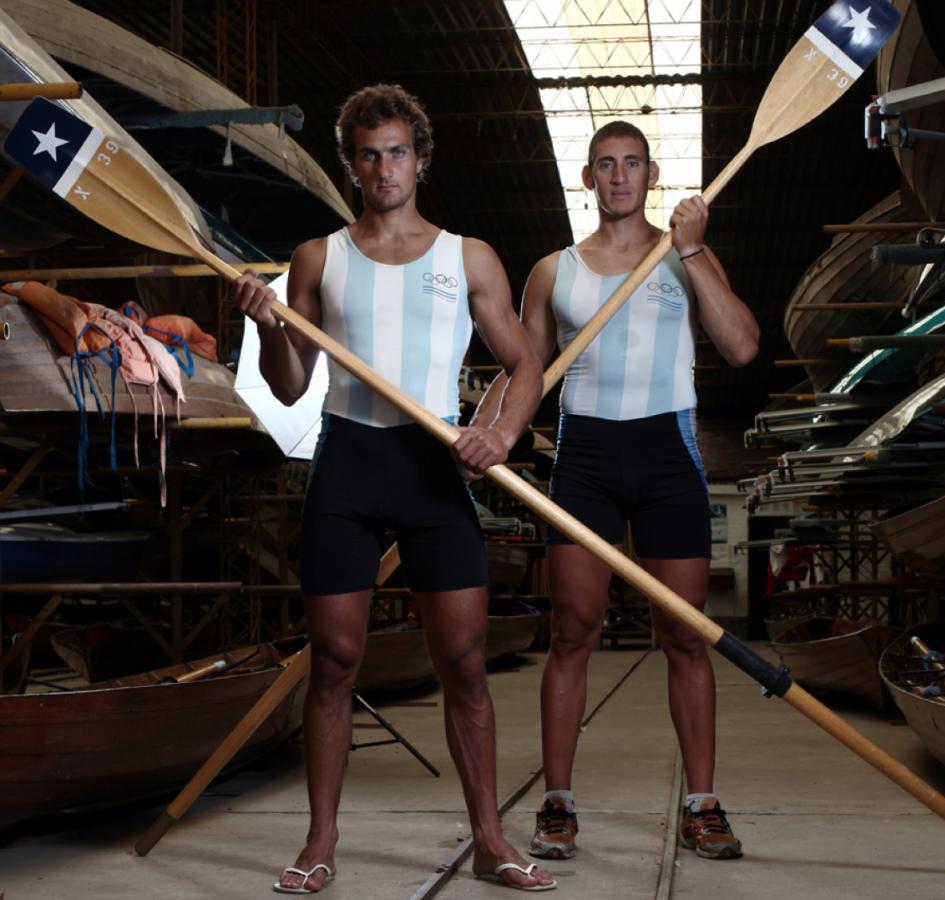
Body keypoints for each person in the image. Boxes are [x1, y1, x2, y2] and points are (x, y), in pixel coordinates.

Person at [234, 84, 555, 893]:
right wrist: (270, 328)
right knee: (335, 661)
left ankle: (489, 839)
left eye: (398, 152)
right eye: (370, 154)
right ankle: (318, 846)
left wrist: (501, 433)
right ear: (352, 163)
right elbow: (287, 384)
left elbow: (526, 364)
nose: (385, 168)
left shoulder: (468, 256)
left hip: (432, 464)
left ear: (420, 159)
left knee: (465, 662)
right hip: (346, 460)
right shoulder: (318, 257)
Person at [474, 121, 759, 862]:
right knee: (572, 629)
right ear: (589, 178)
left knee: (686, 633)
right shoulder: (552, 271)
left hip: (669, 451)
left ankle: (702, 804)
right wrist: (483, 432)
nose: (621, 176)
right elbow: (522, 371)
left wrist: (693, 248)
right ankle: (558, 801)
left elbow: (741, 345)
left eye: (633, 163)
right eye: (607, 164)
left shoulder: (680, 259)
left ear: (653, 173)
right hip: (586, 456)